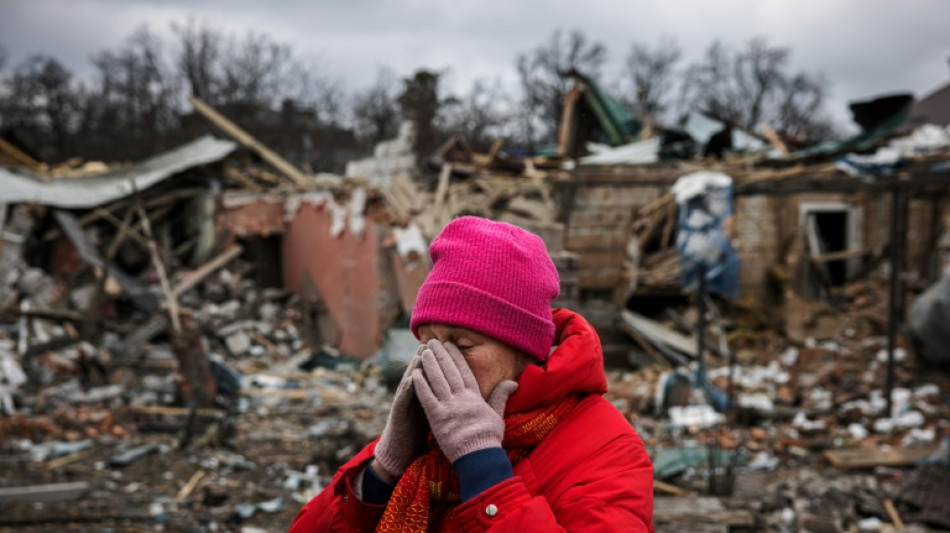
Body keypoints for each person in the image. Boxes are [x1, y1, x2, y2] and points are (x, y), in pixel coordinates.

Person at [288, 216, 654, 532]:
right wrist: (382, 471)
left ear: (524, 351)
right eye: (428, 342)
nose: (439, 361)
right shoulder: (426, 436)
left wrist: (483, 469)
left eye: (463, 345)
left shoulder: (608, 450)